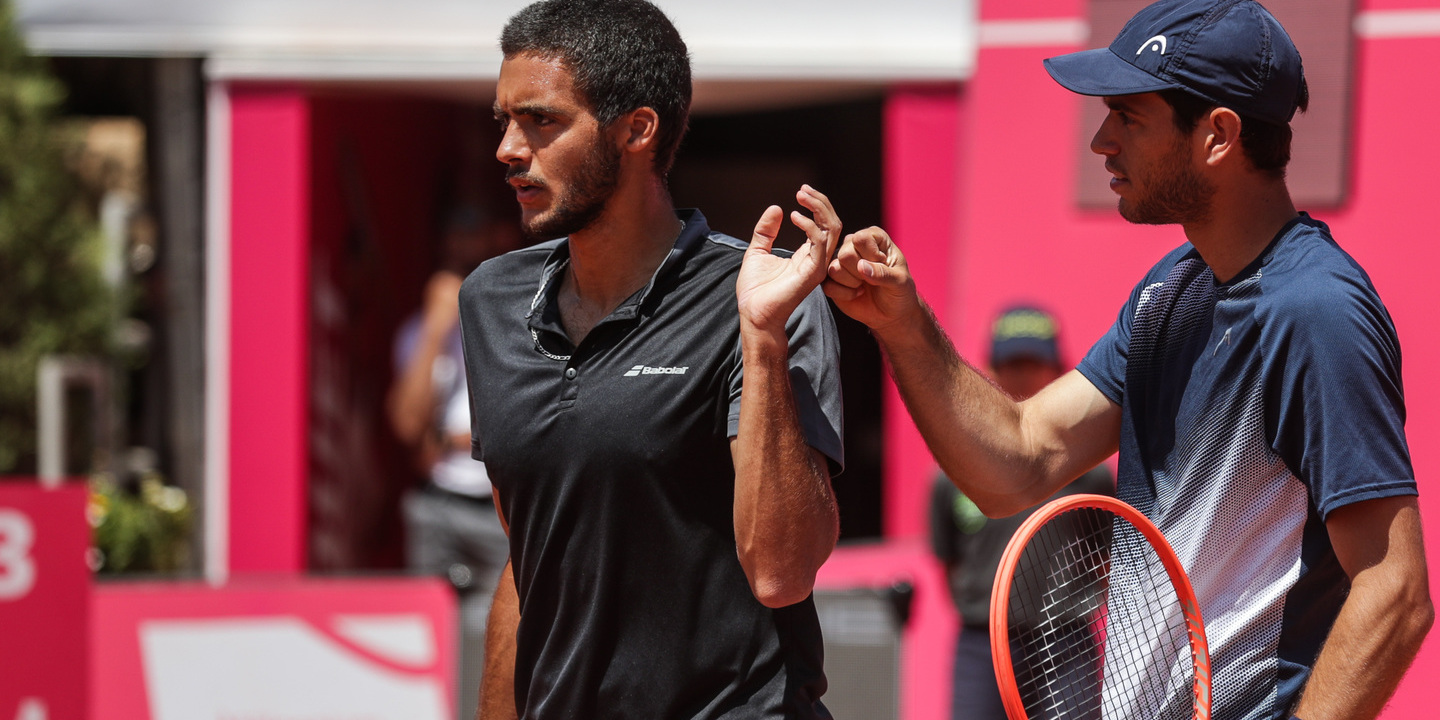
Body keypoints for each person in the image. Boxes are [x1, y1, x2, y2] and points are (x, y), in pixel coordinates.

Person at [824, 1, 1432, 719]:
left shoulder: (1316, 311)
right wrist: (903, 323)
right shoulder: (1169, 290)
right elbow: (1019, 458)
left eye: (1129, 117)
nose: (1102, 142)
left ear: (1218, 136)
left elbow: (1394, 592)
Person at [458, 1, 846, 718]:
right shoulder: (490, 301)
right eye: (504, 120)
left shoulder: (764, 296)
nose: (509, 148)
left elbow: (782, 571)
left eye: (541, 120)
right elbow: (530, 561)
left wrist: (760, 336)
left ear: (637, 129)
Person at [928, 306, 1112, 720]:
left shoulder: (1092, 475)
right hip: (982, 643)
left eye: (1035, 363)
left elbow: (1105, 558)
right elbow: (949, 562)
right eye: (1013, 363)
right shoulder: (952, 476)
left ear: (1058, 371)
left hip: (1068, 641)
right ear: (992, 369)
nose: (1024, 375)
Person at [387, 207, 519, 719]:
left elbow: (518, 423)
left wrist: (452, 436)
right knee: (428, 639)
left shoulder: (522, 320)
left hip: (501, 507)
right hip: (440, 504)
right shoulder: (424, 330)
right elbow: (408, 430)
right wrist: (436, 327)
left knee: (500, 641)